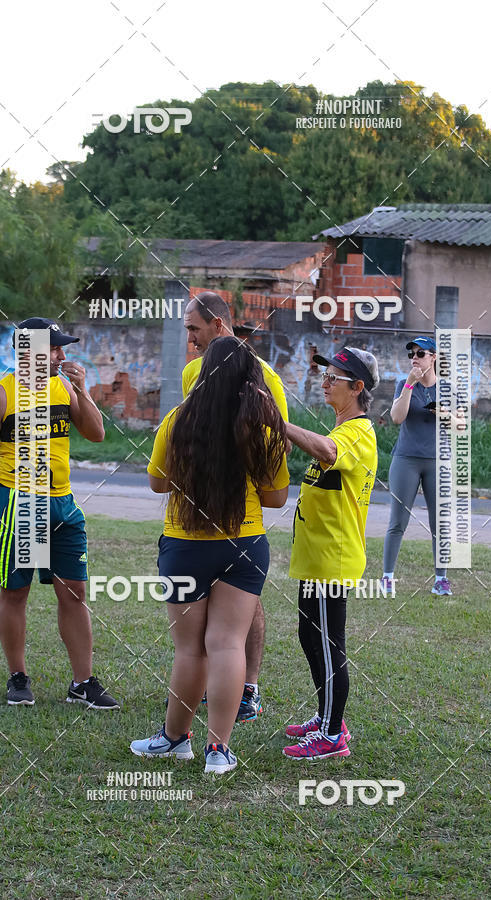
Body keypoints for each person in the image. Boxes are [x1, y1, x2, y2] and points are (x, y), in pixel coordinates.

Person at [130, 336, 289, 774]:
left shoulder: (177, 420)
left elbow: (157, 484)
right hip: (246, 544)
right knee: (228, 644)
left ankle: (175, 739)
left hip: (184, 546)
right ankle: (218, 751)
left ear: (202, 372)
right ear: (250, 378)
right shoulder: (260, 427)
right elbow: (276, 498)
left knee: (189, 649)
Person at [0, 317, 119, 709]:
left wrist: (82, 390)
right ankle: (19, 677)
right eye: (54, 349)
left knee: (75, 592)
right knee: (16, 591)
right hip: (19, 502)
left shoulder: (63, 386)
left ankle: (82, 682)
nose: (62, 356)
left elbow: (97, 433)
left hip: (63, 503)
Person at [181, 291, 289, 722]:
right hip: (196, 516)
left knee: (247, 605)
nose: (190, 338)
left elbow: (274, 446)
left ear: (218, 325)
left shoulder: (267, 378)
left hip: (242, 516)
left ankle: (247, 689)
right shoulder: (193, 372)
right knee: (200, 611)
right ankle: (207, 687)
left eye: (194, 328)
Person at [282, 346, 378, 760]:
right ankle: (326, 717)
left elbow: (329, 453)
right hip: (317, 557)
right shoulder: (340, 430)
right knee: (310, 636)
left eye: (333, 378)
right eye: (324, 376)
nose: (325, 382)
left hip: (332, 558)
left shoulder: (357, 433)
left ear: (357, 388)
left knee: (327, 643)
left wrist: (280, 424)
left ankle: (332, 733)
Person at [381, 335, 451, 597]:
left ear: (433, 357)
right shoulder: (403, 383)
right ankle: (387, 577)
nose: (415, 358)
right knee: (397, 521)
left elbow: (460, 426)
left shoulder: (447, 389)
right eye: (412, 354)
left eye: (421, 354)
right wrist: (410, 385)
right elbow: (397, 418)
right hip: (406, 460)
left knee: (439, 523)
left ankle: (441, 579)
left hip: (437, 462)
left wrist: (442, 413)